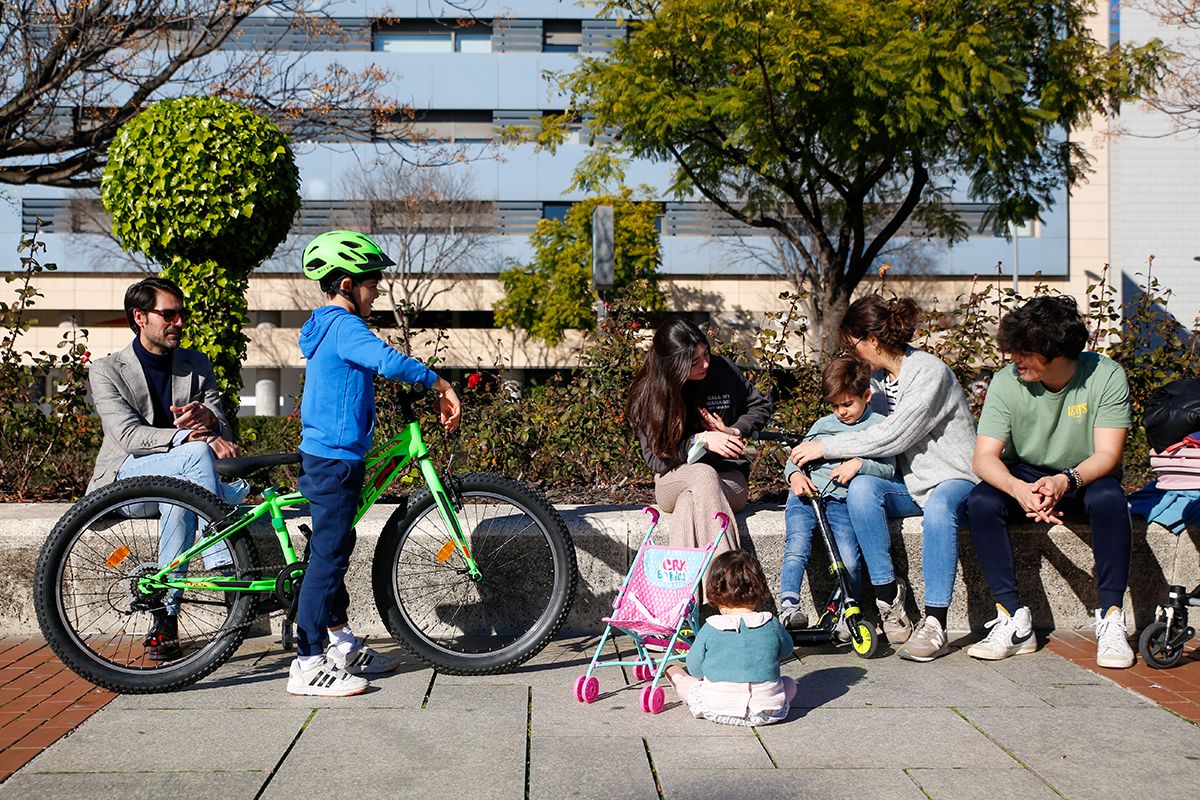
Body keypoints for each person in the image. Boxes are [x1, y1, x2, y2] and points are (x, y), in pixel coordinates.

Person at [288, 230, 462, 697]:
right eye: (372, 283)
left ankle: (340, 642)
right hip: (335, 462)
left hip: (333, 457)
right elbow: (387, 361)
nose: (377, 290)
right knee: (326, 558)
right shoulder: (345, 327)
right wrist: (440, 383)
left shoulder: (327, 326)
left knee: (335, 549)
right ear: (346, 283)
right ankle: (305, 663)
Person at [789, 295, 978, 663]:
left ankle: (935, 622)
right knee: (861, 488)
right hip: (908, 482)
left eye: (853, 344)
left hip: (952, 478)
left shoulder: (929, 373)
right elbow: (867, 432)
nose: (852, 352)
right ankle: (888, 595)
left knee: (939, 505)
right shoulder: (875, 380)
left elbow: (894, 436)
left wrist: (827, 448)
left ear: (872, 341)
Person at [966, 296, 1134, 668]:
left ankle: (1110, 618)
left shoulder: (1106, 376)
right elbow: (984, 458)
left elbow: (1107, 455)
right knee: (980, 502)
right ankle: (1012, 619)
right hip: (1024, 473)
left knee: (1110, 500)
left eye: (1024, 352)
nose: (1014, 359)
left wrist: (1065, 481)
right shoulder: (1006, 382)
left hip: (1085, 474)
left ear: (1055, 352)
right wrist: (1019, 490)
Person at [88, 276, 251, 660]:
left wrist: (208, 421)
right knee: (195, 461)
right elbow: (127, 435)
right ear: (140, 317)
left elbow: (223, 430)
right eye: (169, 314)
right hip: (126, 482)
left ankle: (165, 617)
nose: (179, 322)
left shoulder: (195, 364)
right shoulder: (107, 370)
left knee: (181, 494)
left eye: (182, 314)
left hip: (179, 484)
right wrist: (189, 439)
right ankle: (222, 561)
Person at [626, 317, 770, 557]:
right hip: (673, 477)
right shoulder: (650, 393)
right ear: (674, 366)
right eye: (694, 362)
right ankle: (726, 575)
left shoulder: (723, 370)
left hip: (729, 479)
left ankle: (691, 593)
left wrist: (734, 430)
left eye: (706, 354)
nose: (705, 364)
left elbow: (760, 407)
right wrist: (699, 441)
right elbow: (655, 460)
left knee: (688, 505)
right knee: (702, 473)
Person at [780, 357, 894, 630]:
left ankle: (847, 609)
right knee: (796, 546)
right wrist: (795, 475)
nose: (841, 412)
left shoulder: (878, 426)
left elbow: (889, 469)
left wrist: (859, 464)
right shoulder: (823, 425)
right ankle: (788, 605)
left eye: (847, 404)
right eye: (834, 405)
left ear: (866, 396)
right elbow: (794, 459)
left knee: (850, 559)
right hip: (807, 497)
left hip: (841, 501)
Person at [664, 550, 797, 726]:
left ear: (713, 590)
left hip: (717, 708)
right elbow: (786, 651)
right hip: (767, 711)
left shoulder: (711, 627)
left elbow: (695, 668)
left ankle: (673, 673)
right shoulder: (770, 623)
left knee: (686, 682)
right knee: (789, 683)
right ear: (759, 588)